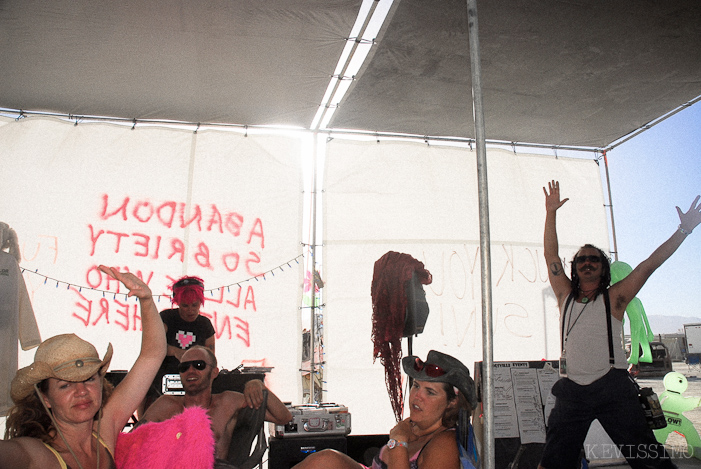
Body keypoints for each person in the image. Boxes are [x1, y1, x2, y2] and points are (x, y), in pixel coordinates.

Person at [539, 180, 701, 469]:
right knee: (555, 460)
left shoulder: (615, 297)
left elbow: (649, 264)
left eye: (594, 259)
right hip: (572, 391)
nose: (586, 262)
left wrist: (684, 230)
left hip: (612, 387)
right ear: (574, 268)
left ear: (603, 268)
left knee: (648, 459)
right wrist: (551, 212)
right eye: (581, 260)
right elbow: (551, 256)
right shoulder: (564, 294)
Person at [0, 265, 166, 469]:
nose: (81, 391)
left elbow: (152, 355)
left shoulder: (104, 433)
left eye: (88, 379)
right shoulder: (36, 454)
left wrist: (147, 300)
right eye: (65, 385)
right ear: (45, 398)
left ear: (100, 383)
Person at [291, 350, 478, 469]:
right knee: (324, 460)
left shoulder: (444, 445)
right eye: (416, 386)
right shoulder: (415, 427)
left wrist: (398, 441)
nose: (417, 396)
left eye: (430, 392)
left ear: (452, 402)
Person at [138, 345, 292, 467]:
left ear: (214, 372)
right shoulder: (166, 405)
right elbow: (133, 441)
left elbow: (283, 417)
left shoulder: (227, 402)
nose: (191, 370)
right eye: (184, 367)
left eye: (199, 365)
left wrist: (259, 386)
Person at [144, 275, 215, 413]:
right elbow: (152, 345)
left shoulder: (205, 324)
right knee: (144, 386)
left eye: (195, 305)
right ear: (177, 303)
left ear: (200, 303)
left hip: (195, 377)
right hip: (163, 374)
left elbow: (211, 356)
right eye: (185, 305)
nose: (190, 310)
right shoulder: (166, 317)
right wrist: (176, 351)